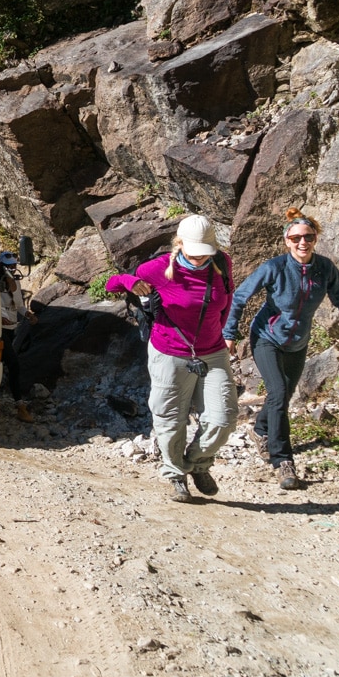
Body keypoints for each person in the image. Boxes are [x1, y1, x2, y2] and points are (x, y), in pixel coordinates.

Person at [224, 208, 339, 491]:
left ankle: (260, 429)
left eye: (308, 237)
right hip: (266, 337)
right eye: (296, 237)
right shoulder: (274, 267)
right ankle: (282, 461)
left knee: (282, 396)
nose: (303, 242)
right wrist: (229, 333)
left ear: (315, 239)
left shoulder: (324, 269)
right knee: (276, 393)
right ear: (287, 241)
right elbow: (240, 296)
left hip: (298, 343)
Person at [105, 214, 235, 503]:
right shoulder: (158, 269)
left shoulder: (222, 263)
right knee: (170, 418)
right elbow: (111, 284)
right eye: (194, 253)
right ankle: (176, 472)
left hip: (212, 351)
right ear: (179, 244)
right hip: (169, 352)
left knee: (224, 418)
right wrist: (130, 281)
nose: (201, 259)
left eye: (206, 253)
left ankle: (198, 463)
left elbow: (226, 299)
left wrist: (224, 333)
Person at [0, 251, 35, 422]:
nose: (13, 269)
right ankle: (20, 405)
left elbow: (18, 305)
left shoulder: (16, 285)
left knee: (4, 363)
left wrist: (27, 314)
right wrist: (1, 315)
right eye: (10, 267)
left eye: (14, 266)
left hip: (12, 327)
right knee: (13, 363)